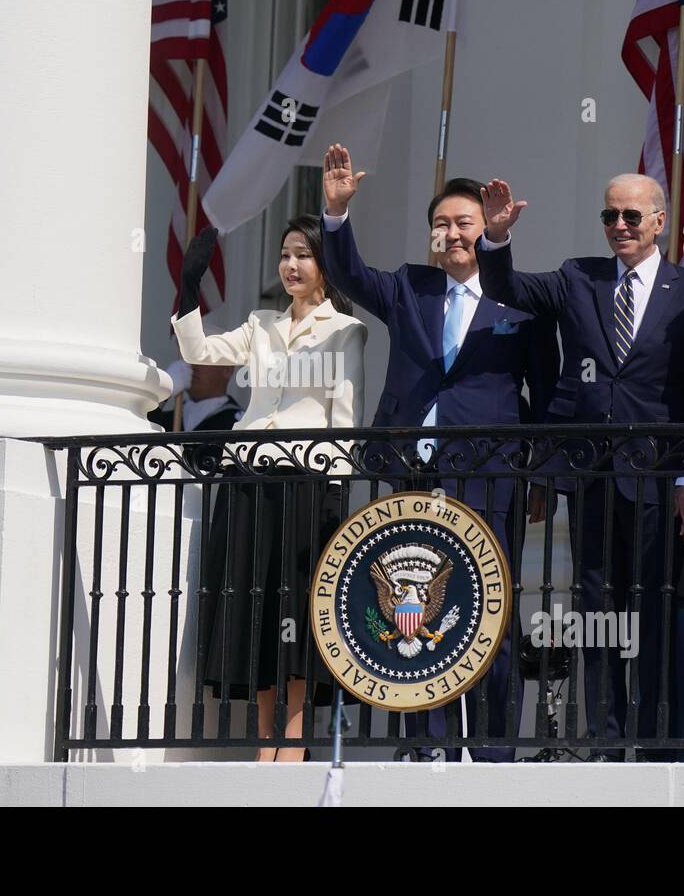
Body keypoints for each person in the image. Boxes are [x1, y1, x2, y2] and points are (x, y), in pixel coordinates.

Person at [319, 144, 560, 763]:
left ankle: (493, 744)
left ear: (489, 230)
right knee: (414, 611)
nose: (452, 234)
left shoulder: (520, 301)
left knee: (488, 614)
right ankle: (424, 746)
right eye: (443, 224)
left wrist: (539, 477)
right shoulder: (408, 287)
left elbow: (544, 391)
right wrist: (337, 213)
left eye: (465, 223)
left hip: (490, 473)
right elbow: (348, 276)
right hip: (414, 473)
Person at [476, 172, 684, 759]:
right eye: (610, 216)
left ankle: (654, 744)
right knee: (597, 611)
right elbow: (508, 287)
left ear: (661, 221)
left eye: (632, 216)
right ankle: (606, 744)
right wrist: (497, 239)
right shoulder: (577, 276)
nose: (620, 227)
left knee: (653, 608)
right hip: (591, 476)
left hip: (657, 475)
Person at [172, 216, 365, 762]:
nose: (291, 265)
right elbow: (202, 354)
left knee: (299, 616)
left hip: (306, 485)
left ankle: (296, 746)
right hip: (248, 481)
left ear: (325, 265)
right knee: (254, 612)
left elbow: (345, 421)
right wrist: (188, 293)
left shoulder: (346, 331)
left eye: (303, 254)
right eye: (285, 254)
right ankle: (265, 747)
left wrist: (336, 498)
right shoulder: (260, 324)